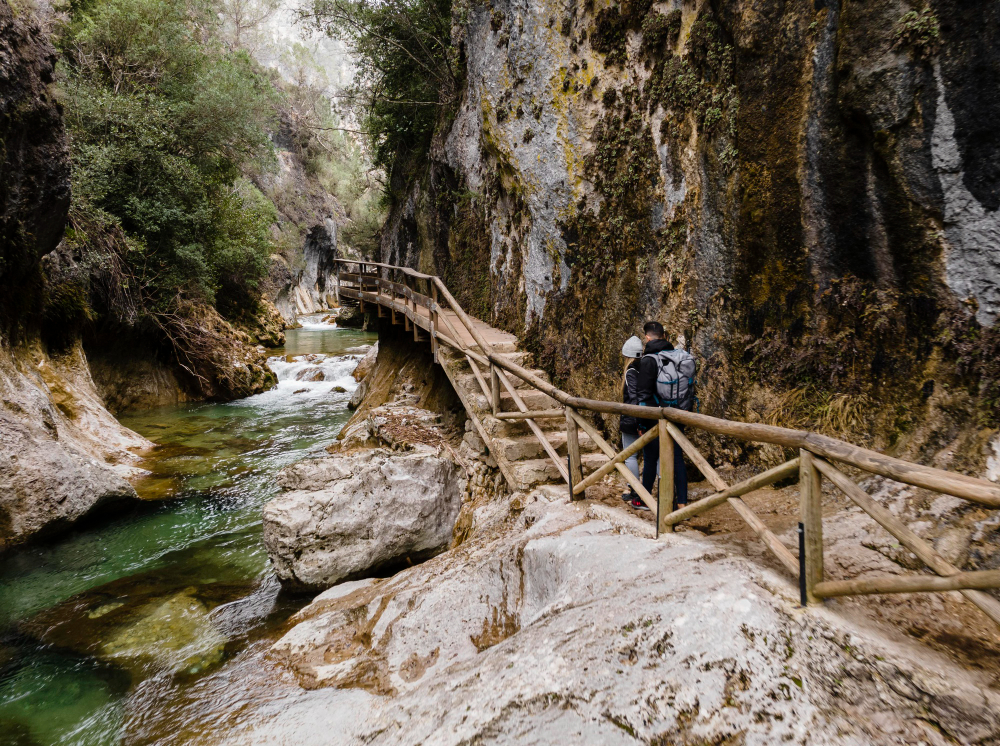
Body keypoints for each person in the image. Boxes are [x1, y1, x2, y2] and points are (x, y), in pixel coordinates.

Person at [632, 320, 688, 511]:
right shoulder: (677, 356)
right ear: (664, 336)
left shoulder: (648, 360)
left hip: (654, 417)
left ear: (647, 338)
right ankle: (682, 504)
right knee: (678, 459)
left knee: (650, 458)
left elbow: (643, 395)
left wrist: (640, 423)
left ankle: (644, 500)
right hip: (678, 413)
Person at [619, 335, 644, 502]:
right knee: (652, 456)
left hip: (633, 419)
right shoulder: (646, 368)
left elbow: (634, 397)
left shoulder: (631, 372)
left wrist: (637, 421)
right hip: (646, 418)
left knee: (630, 456)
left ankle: (636, 490)